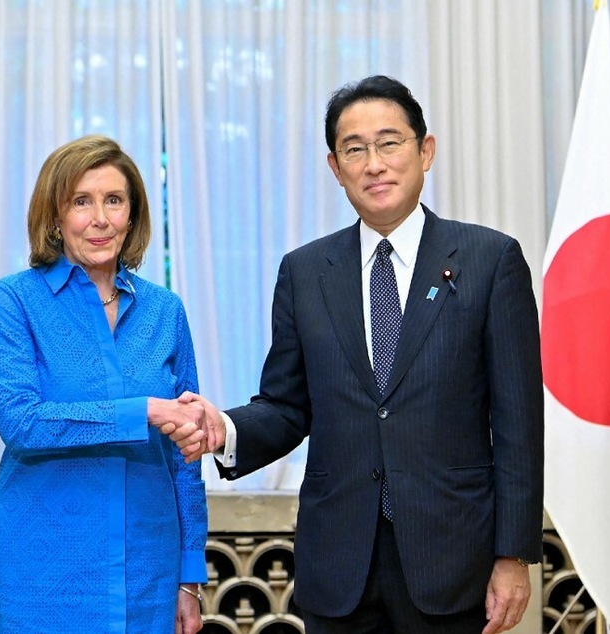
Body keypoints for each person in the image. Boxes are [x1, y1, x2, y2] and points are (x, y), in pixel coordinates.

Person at [177, 76, 544, 633]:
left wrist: (513, 554)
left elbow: (518, 421)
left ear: (426, 152)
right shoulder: (305, 273)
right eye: (355, 149)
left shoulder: (489, 261)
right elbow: (286, 404)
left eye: (390, 142)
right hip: (339, 564)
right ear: (335, 167)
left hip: (453, 562)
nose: (374, 163)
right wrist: (222, 429)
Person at [0, 135, 208, 633]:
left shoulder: (165, 312)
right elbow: (22, 424)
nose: (100, 218)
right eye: (81, 201)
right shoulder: (13, 301)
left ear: (133, 213)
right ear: (55, 216)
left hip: (149, 572)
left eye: (114, 200)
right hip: (42, 576)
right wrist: (144, 410)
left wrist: (189, 578)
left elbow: (186, 457)